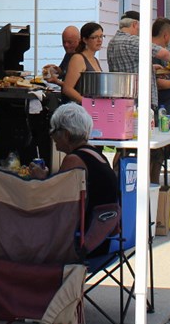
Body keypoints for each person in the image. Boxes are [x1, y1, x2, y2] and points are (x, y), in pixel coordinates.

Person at [28, 102, 119, 252]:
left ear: (66, 134)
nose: (52, 136)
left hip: (86, 241)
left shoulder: (74, 160)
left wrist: (41, 181)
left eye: (54, 130)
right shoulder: (96, 154)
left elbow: (59, 203)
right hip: (106, 234)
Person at [59, 21, 104, 103]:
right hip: (79, 109)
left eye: (101, 36)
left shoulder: (95, 60)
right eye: (94, 37)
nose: (99, 40)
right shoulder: (78, 59)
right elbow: (67, 88)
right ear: (85, 40)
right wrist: (87, 103)